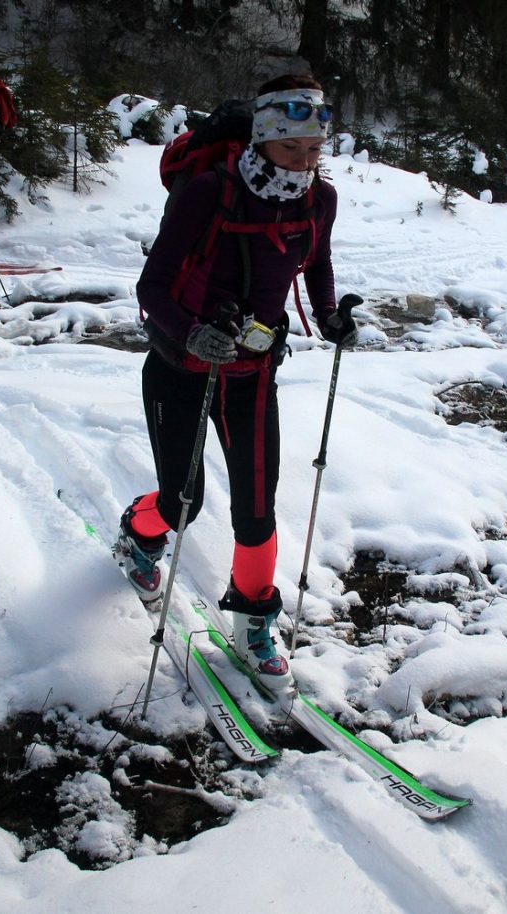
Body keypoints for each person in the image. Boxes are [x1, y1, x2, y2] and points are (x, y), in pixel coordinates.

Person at [117, 74, 357, 691]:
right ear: (263, 138)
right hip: (181, 366)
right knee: (182, 502)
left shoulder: (318, 200)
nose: (304, 163)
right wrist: (194, 332)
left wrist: (328, 314)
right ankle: (138, 533)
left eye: (313, 150)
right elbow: (152, 287)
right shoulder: (210, 193)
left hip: (252, 373)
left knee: (257, 507)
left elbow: (317, 263)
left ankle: (254, 620)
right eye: (290, 149)